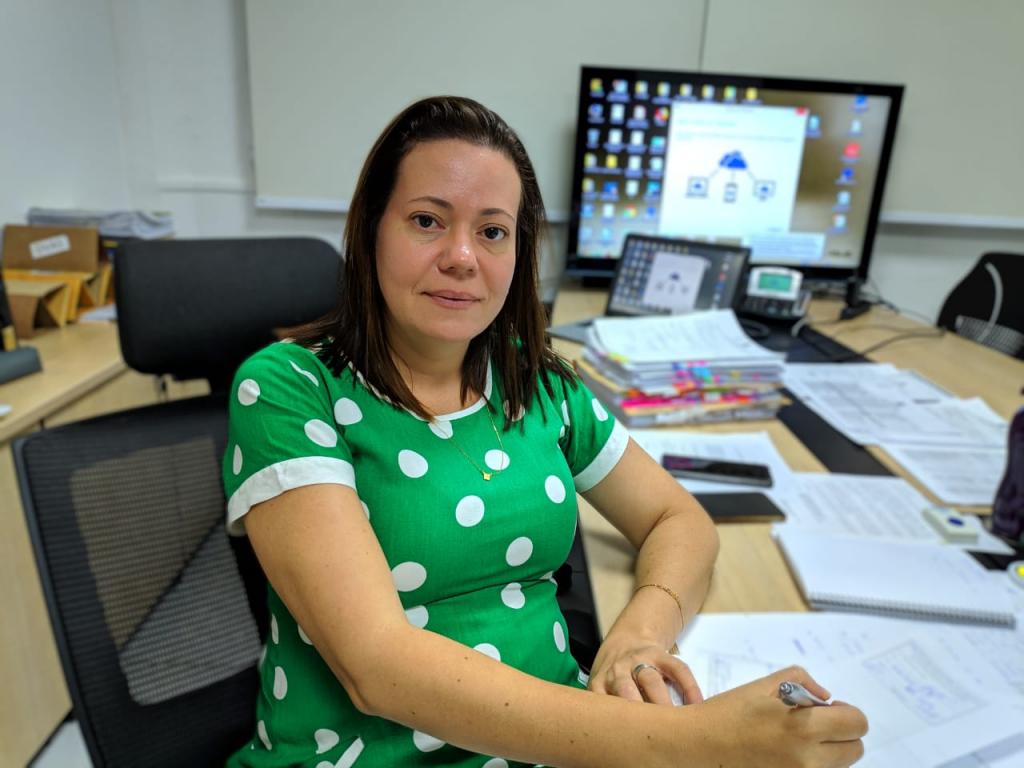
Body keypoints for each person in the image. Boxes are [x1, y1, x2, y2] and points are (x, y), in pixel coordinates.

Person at [223, 95, 867, 767]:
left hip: (559, 743)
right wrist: (701, 744)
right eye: (426, 221)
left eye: (493, 232)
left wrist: (642, 634)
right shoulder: (290, 387)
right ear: (371, 231)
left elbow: (680, 520)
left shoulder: (534, 381)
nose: (462, 256)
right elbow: (377, 668)